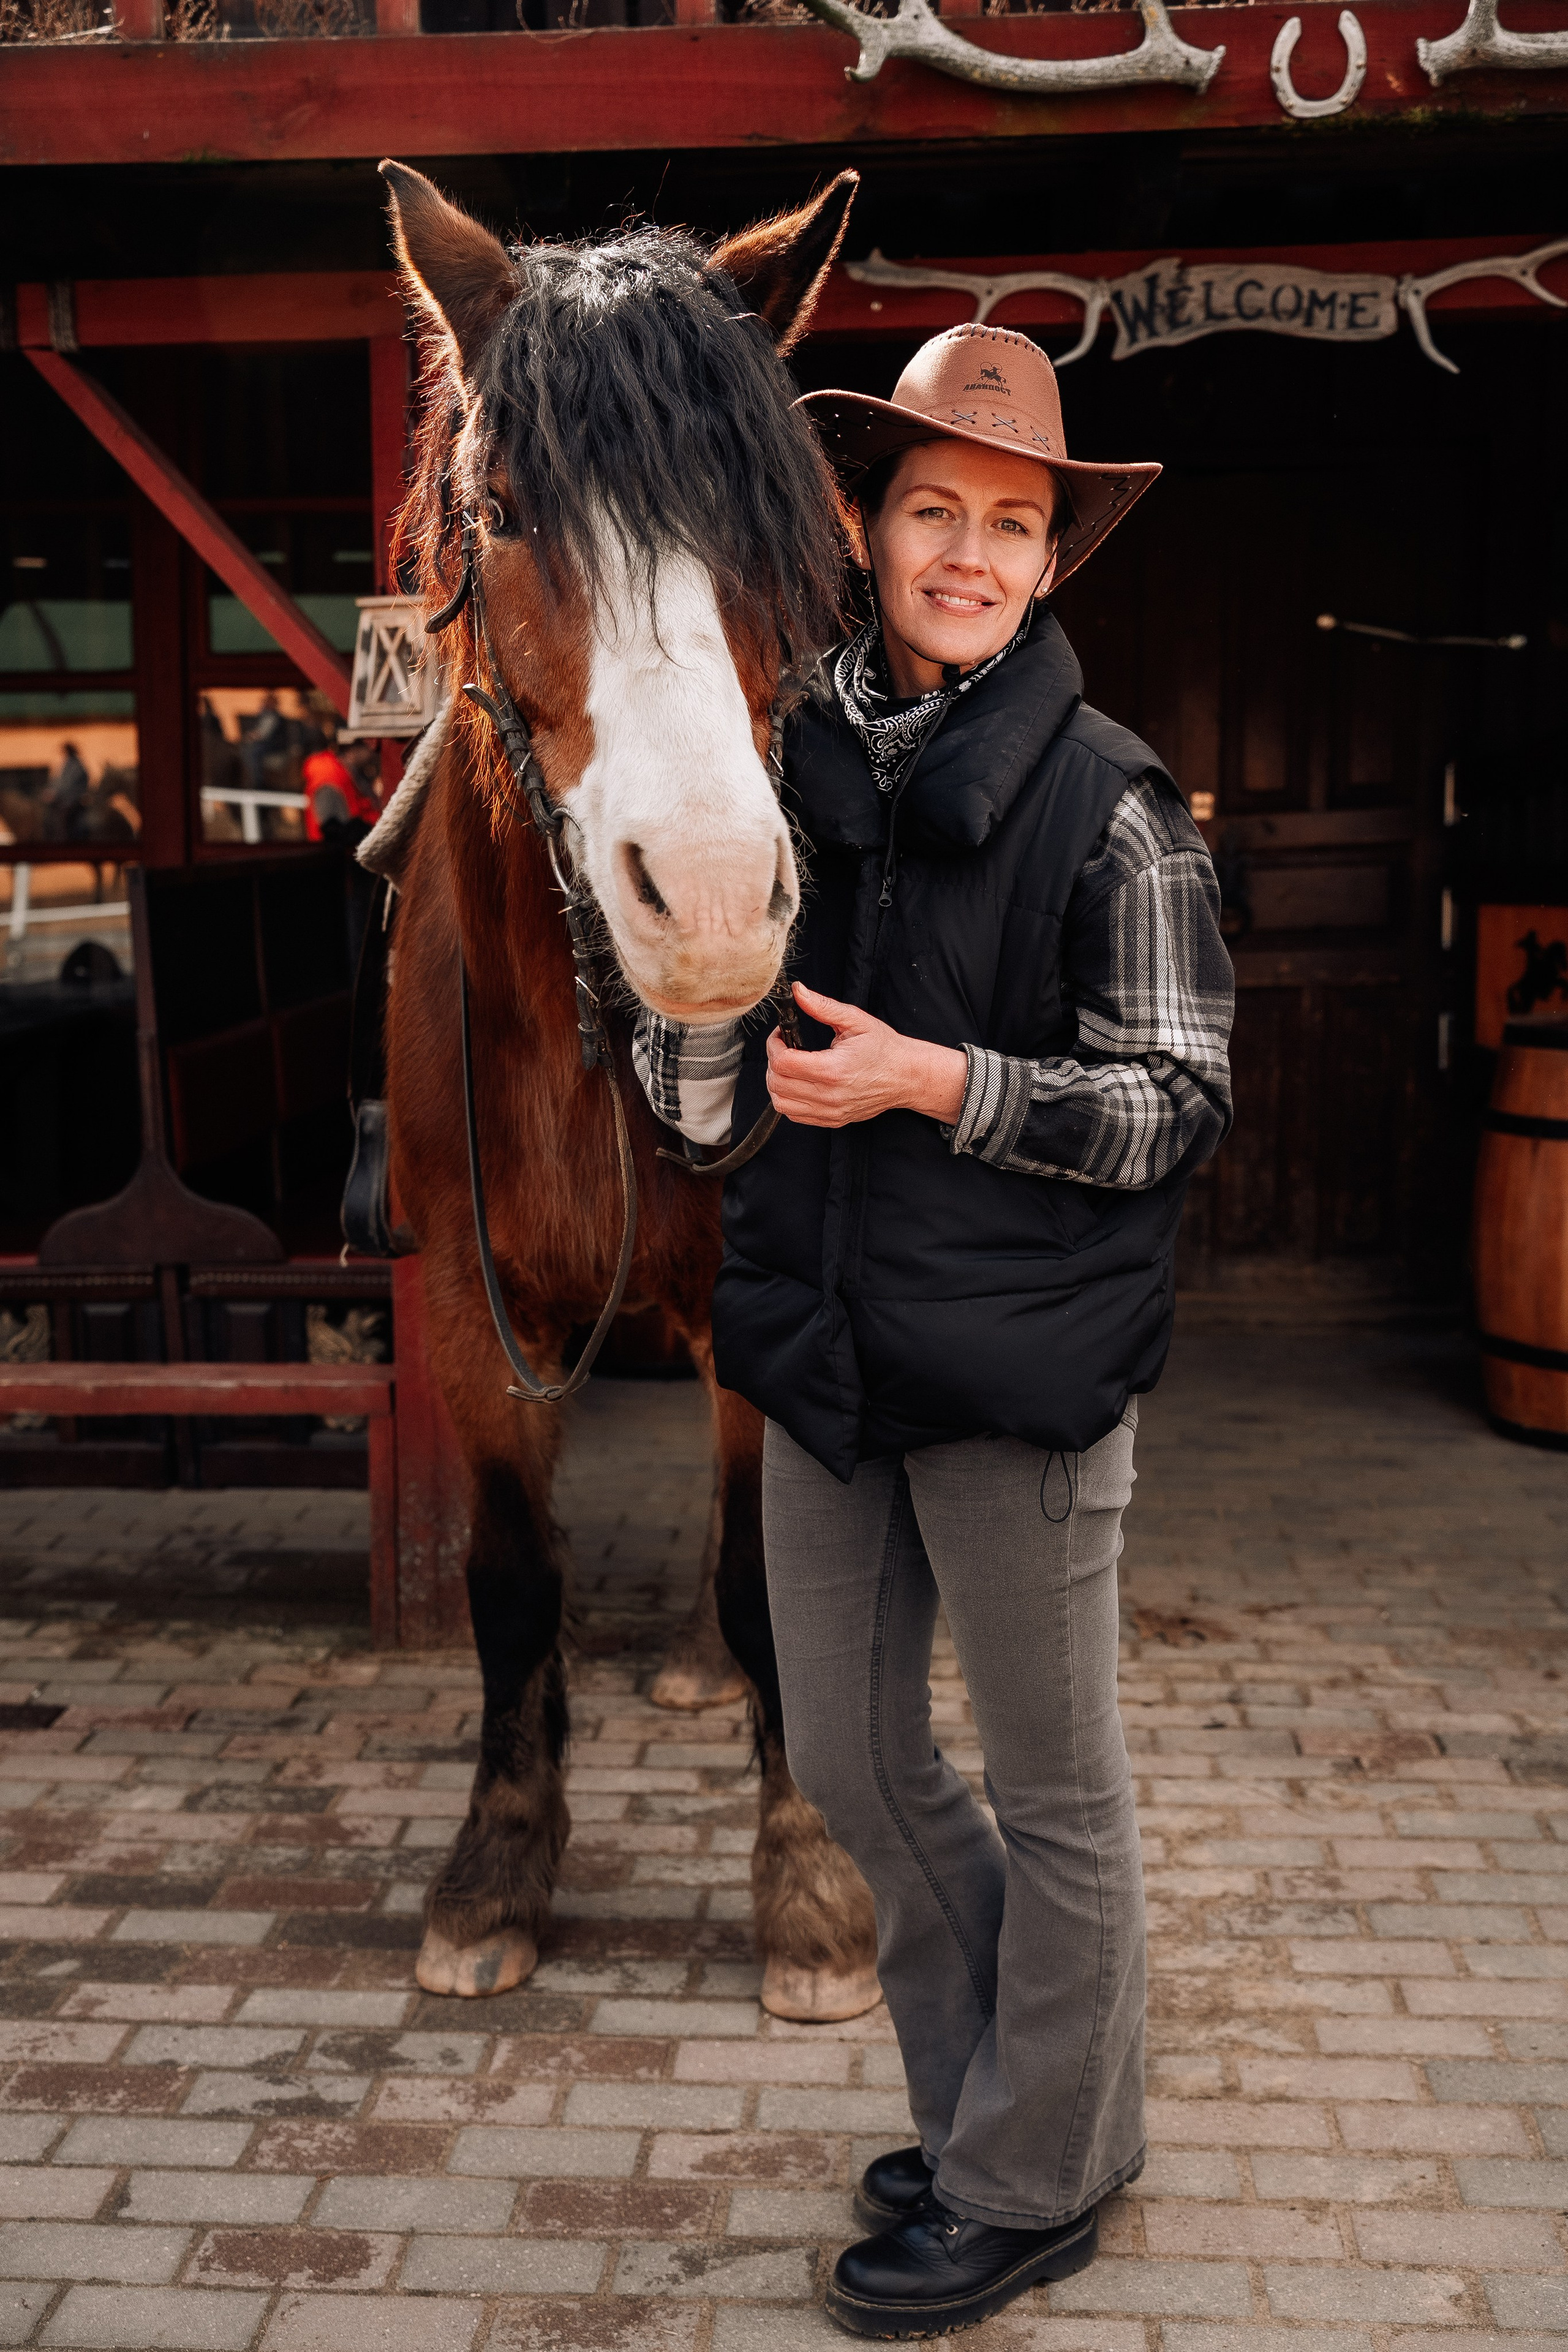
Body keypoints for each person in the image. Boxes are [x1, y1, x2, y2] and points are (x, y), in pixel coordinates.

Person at [633, 324, 1234, 2339]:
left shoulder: (1114, 805)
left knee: (1059, 1795)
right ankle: (1030, 2105)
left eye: (1011, 525)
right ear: (871, 533)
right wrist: (691, 1021)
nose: (967, 553)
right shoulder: (779, 767)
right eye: (933, 513)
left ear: (1049, 563)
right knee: (864, 1768)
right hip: (822, 1362)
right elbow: (707, 1093)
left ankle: (1031, 2174)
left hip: (1025, 1375)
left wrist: (939, 1083)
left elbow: (1177, 1100)